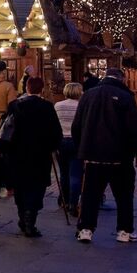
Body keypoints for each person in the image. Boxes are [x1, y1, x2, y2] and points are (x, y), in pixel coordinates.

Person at [72, 67, 137, 244]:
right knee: (124, 196)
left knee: (90, 193)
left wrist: (82, 148)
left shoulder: (88, 95)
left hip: (93, 155)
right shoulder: (126, 97)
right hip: (120, 156)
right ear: (122, 79)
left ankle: (85, 229)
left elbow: (77, 126)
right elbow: (134, 128)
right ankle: (124, 231)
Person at [0, 77, 62, 237]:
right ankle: (30, 220)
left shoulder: (14, 106)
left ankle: (23, 216)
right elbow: (56, 132)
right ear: (41, 89)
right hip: (39, 154)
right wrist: (53, 146)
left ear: (26, 87)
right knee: (36, 187)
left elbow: (6, 128)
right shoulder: (47, 107)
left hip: (17, 153)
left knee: (20, 186)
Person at [54, 83, 84, 216]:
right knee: (76, 174)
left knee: (64, 173)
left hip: (61, 141)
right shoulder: (81, 106)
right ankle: (73, 202)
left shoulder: (58, 106)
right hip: (76, 141)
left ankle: (64, 200)